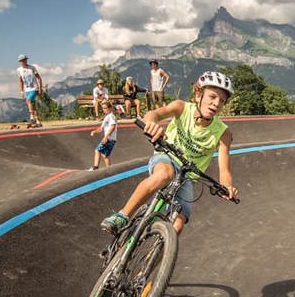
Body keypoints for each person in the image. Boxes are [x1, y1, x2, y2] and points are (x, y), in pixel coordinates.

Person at [101, 70, 238, 235]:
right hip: (167, 157)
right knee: (165, 174)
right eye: (212, 97)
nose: (216, 103)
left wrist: (227, 186)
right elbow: (154, 114)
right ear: (198, 94)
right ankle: (122, 215)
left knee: (178, 226)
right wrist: (151, 123)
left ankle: (159, 257)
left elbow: (224, 170)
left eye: (222, 101)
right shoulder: (181, 108)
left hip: (188, 177)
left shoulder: (224, 133)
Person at [88, 100, 118, 171]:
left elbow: (112, 127)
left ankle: (95, 168)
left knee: (97, 150)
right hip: (111, 139)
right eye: (103, 108)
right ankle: (109, 170)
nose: (104, 110)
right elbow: (101, 128)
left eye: (105, 108)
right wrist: (94, 131)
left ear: (110, 108)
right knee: (105, 155)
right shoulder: (108, 117)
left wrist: (106, 137)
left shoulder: (111, 116)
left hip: (109, 139)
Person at [17, 54, 44, 128]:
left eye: (25, 60)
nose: (24, 61)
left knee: (29, 100)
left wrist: (40, 88)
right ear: (20, 61)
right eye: (22, 60)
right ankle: (38, 120)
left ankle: (32, 117)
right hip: (27, 89)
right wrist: (21, 91)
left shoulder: (32, 68)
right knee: (33, 105)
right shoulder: (19, 70)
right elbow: (21, 81)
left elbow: (39, 78)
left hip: (34, 88)